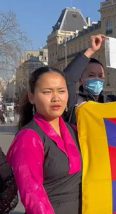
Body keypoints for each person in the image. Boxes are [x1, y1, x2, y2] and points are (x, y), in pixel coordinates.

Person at [7, 67, 82, 214]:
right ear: (31, 97)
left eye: (61, 91)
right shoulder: (29, 137)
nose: (56, 98)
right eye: (47, 92)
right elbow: (32, 195)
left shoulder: (74, 130)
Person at [64, 34, 116, 123]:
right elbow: (67, 78)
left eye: (100, 76)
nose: (97, 79)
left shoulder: (110, 101)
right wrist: (91, 50)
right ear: (81, 79)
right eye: (91, 75)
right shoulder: (74, 101)